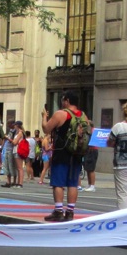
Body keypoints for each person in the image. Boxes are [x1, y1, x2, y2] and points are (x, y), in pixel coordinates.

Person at [42, 92, 86, 221]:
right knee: (73, 183)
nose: (62, 103)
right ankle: (70, 212)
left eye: (62, 100)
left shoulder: (61, 114)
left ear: (67, 100)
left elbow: (46, 129)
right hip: (77, 153)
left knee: (58, 183)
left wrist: (44, 117)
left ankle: (59, 211)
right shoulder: (83, 116)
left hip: (61, 152)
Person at [1, 120, 19, 187]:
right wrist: (2, 147)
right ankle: (8, 181)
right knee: (6, 166)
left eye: (9, 124)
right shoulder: (10, 131)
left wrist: (7, 138)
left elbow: (14, 141)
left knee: (12, 166)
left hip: (12, 150)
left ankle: (14, 181)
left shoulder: (15, 132)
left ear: (12, 124)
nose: (7, 125)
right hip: (7, 149)